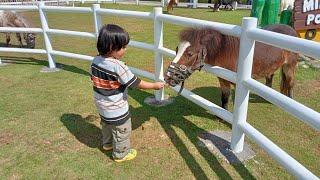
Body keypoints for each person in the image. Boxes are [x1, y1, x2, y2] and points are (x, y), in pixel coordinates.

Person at [90, 24, 165, 162]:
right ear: (112, 48)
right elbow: (136, 83)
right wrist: (154, 86)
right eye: (123, 47)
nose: (125, 50)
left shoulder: (95, 61)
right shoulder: (118, 67)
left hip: (101, 105)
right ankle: (120, 154)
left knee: (107, 125)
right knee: (122, 130)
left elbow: (93, 79)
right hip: (116, 108)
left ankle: (107, 144)